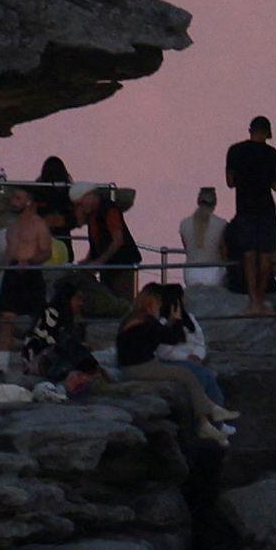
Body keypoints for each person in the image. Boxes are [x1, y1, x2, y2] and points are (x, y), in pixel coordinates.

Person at [116, 288, 236, 446]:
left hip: (139, 364)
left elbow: (174, 337)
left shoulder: (136, 319)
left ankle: (206, 420)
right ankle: (209, 416)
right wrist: (176, 320)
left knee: (198, 374)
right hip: (139, 367)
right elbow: (172, 338)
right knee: (187, 375)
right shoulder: (146, 322)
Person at [224, 116, 276, 317]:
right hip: (266, 209)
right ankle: (261, 297)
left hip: (245, 208)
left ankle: (253, 301)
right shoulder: (272, 153)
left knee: (249, 256)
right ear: (268, 132)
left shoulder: (235, 151)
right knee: (266, 256)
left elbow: (230, 182)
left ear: (250, 130)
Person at [0, 188, 55, 374]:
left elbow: (46, 252)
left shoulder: (39, 225)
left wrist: (29, 261)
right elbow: (8, 252)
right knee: (6, 318)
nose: (14, 201)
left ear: (29, 201)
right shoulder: (12, 226)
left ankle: (34, 362)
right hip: (11, 273)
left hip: (31, 273)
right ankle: (2, 366)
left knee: (36, 319)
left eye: (18, 198)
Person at [155, 283, 230, 407]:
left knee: (208, 377)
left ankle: (215, 413)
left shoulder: (190, 319)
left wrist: (197, 355)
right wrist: (186, 358)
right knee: (202, 376)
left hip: (193, 360)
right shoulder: (161, 323)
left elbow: (199, 342)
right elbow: (164, 351)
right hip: (174, 361)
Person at [73, 182, 142, 298]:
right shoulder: (92, 215)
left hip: (121, 264)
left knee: (122, 298)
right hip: (108, 266)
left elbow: (118, 240)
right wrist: (88, 260)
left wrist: (99, 261)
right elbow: (96, 241)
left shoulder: (109, 210)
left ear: (90, 196)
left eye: (81, 203)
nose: (81, 207)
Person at [179, 188, 229, 287]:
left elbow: (187, 249)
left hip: (190, 274)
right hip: (214, 275)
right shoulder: (221, 224)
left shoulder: (184, 224)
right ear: (215, 202)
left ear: (198, 201)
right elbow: (224, 252)